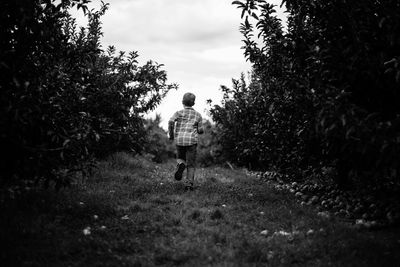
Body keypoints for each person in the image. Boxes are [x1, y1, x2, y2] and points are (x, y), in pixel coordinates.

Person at [168, 92, 204, 190]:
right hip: (192, 141)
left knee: (180, 158)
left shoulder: (178, 113)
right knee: (191, 164)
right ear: (194, 103)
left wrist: (171, 135)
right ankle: (188, 186)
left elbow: (171, 121)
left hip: (180, 140)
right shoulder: (198, 115)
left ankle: (181, 164)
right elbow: (200, 131)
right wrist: (200, 129)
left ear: (182, 102)